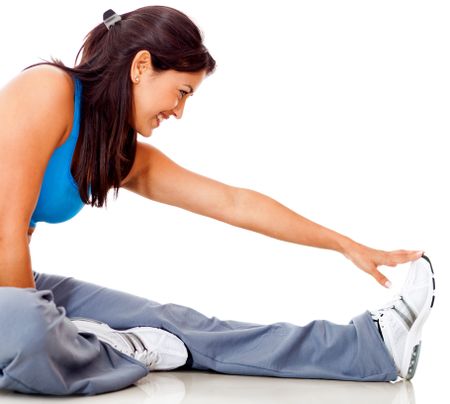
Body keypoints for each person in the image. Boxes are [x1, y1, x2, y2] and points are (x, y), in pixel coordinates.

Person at [0, 5, 435, 396]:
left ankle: (370, 348)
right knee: (30, 334)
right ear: (141, 66)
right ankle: (109, 346)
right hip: (12, 295)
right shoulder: (46, 89)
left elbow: (234, 203)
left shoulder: (118, 156)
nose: (179, 111)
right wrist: (35, 324)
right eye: (182, 91)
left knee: (181, 325)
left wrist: (344, 244)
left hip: (16, 290)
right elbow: (5, 231)